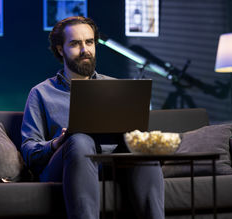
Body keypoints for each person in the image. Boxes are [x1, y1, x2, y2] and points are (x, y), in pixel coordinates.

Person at [21, 16, 164, 219]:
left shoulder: (116, 87)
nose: (84, 50)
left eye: (89, 42)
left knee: (140, 142)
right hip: (66, 165)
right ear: (60, 49)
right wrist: (56, 143)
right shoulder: (41, 93)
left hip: (113, 164)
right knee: (79, 139)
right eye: (75, 44)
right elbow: (28, 151)